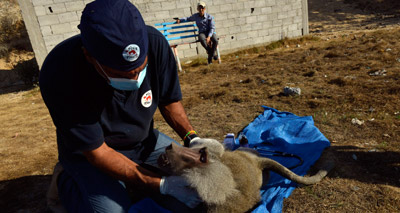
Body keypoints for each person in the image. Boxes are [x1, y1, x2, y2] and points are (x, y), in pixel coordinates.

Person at [39, 0, 203, 212]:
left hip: (143, 143)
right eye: (120, 74)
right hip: (89, 155)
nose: (134, 78)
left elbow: (169, 101)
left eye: (139, 68)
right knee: (113, 210)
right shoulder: (60, 72)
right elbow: (97, 153)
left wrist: (193, 137)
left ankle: (135, 181)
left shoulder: (155, 44)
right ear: (90, 57)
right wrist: (162, 184)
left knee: (199, 182)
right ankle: (68, 182)